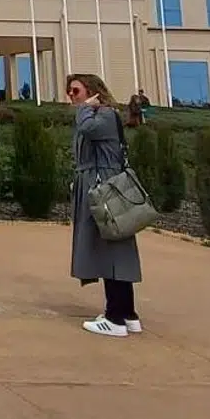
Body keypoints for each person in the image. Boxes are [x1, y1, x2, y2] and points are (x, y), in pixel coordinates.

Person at [67, 73, 144, 338]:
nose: (71, 96)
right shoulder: (103, 115)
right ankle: (127, 313)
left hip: (102, 189)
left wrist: (85, 109)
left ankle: (115, 318)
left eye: (76, 91)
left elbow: (87, 130)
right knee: (115, 248)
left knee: (109, 249)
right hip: (104, 186)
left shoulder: (103, 116)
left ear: (92, 91)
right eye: (70, 91)